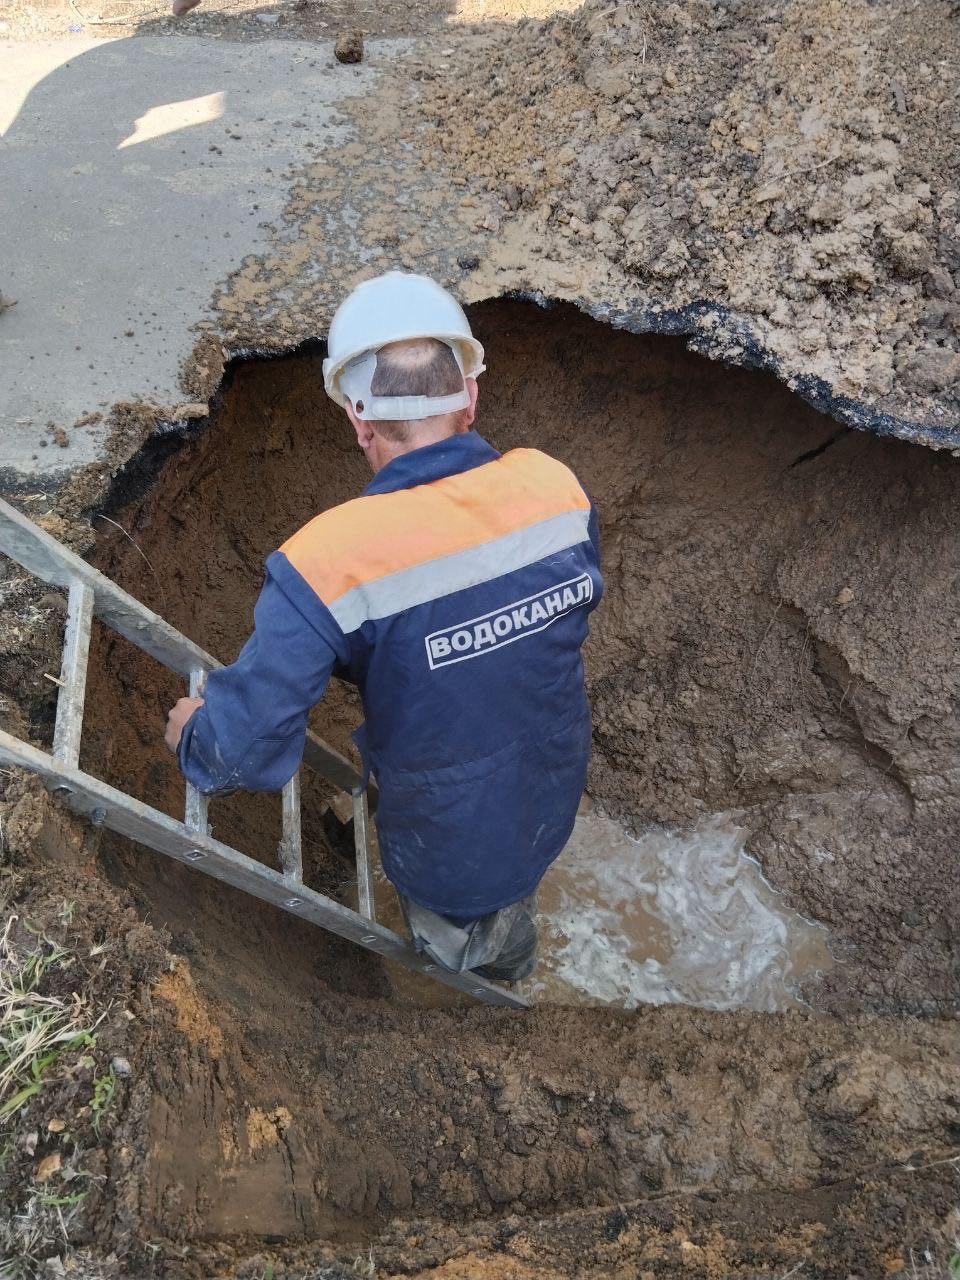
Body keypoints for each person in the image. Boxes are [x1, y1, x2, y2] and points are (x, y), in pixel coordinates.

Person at [164, 271, 603, 982]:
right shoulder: (554, 487)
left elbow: (240, 753)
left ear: (358, 419)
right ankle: (498, 940)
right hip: (551, 787)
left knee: (467, 940)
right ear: (471, 398)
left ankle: (489, 976)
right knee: (506, 874)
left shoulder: (328, 560)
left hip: (451, 851)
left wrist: (196, 736)